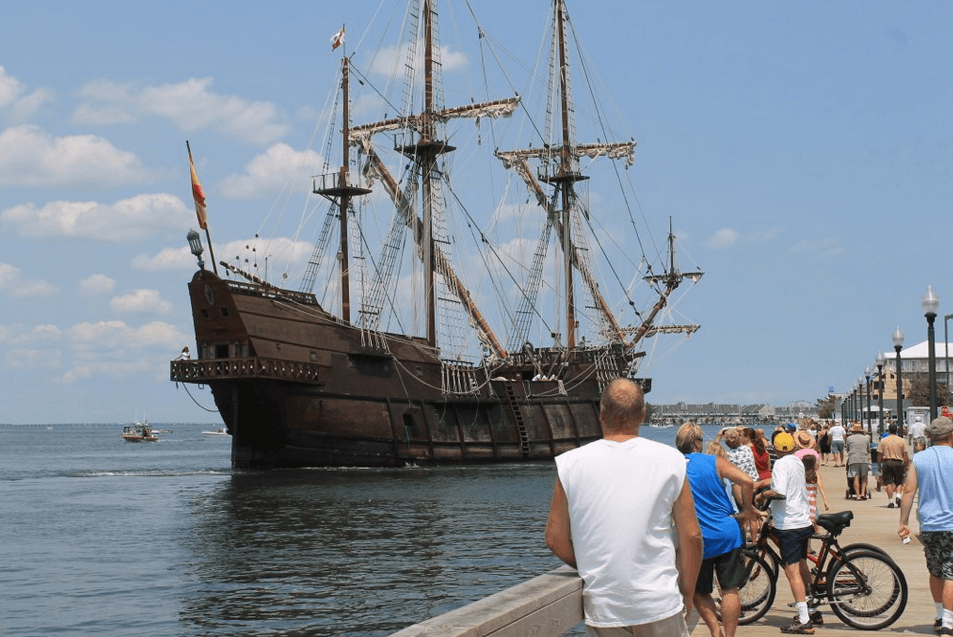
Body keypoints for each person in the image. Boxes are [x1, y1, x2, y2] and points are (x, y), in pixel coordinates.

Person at [545, 378, 703, 636]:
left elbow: (554, 538)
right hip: (659, 602)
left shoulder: (570, 464)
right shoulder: (671, 460)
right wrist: (688, 590)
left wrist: (593, 565)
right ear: (642, 414)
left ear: (601, 412)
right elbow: (692, 536)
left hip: (605, 606)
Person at [676, 423, 760, 637]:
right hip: (726, 533)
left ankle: (715, 632)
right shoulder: (714, 462)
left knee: (697, 590)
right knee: (730, 589)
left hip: (697, 537)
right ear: (697, 443)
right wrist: (748, 510)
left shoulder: (673, 466)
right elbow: (747, 481)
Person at [756, 431, 819, 634]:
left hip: (789, 524)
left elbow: (780, 491)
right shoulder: (796, 461)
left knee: (792, 572)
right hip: (802, 520)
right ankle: (813, 608)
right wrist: (763, 484)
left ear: (775, 449)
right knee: (802, 564)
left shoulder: (781, 464)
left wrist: (762, 495)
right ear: (792, 447)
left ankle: (803, 620)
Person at [899, 416, 953, 636]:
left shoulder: (920, 458)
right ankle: (948, 623)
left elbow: (909, 492)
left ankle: (940, 615)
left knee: (935, 570)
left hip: (929, 525)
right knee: (951, 573)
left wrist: (903, 522)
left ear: (930, 436)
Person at [878, 424, 908, 508]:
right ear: (897, 430)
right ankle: (898, 496)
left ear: (889, 430)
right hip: (898, 462)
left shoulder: (883, 440)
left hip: (887, 462)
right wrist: (906, 465)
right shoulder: (901, 440)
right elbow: (905, 454)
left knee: (888, 482)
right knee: (899, 481)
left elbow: (880, 454)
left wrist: (879, 464)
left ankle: (890, 501)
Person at [845, 423, 871, 500]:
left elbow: (847, 449)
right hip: (863, 459)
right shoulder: (866, 438)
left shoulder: (849, 438)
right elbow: (868, 449)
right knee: (864, 477)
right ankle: (863, 493)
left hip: (853, 459)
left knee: (856, 477)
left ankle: (857, 495)